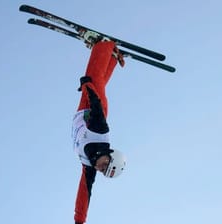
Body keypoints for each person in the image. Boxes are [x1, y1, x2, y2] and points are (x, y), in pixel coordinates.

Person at [71, 40, 126, 224]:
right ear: (109, 155)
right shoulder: (100, 133)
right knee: (93, 78)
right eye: (105, 166)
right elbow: (95, 102)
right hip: (96, 106)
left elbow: (84, 193)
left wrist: (79, 221)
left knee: (98, 79)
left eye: (103, 171)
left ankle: (111, 57)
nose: (99, 168)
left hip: (81, 113)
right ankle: (104, 45)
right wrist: (87, 86)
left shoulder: (89, 165)